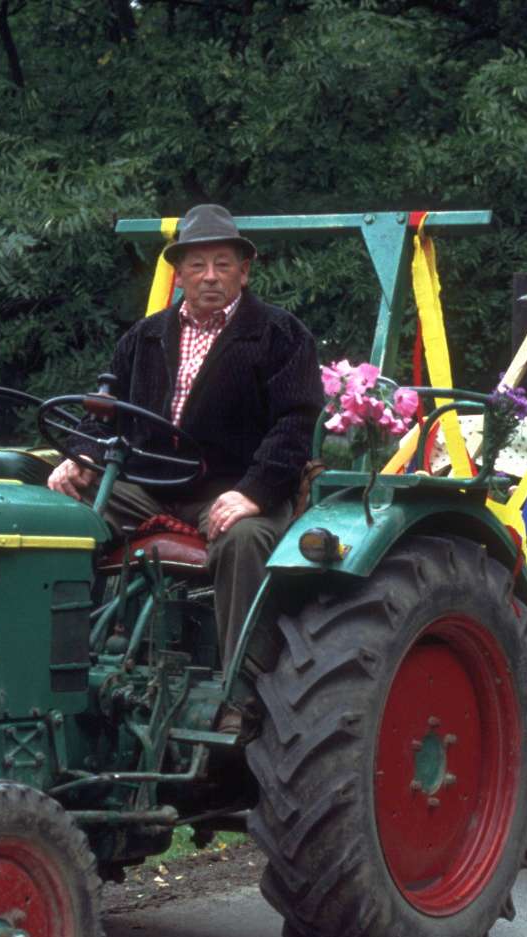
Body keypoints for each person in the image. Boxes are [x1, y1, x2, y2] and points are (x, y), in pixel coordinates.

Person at [47, 204, 324, 722]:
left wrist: (253, 492)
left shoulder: (280, 335)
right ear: (179, 274)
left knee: (245, 541)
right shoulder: (144, 337)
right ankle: (59, 662)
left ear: (244, 271)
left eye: (223, 264)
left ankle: (243, 694)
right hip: (150, 486)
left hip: (234, 486)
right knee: (61, 516)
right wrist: (83, 455)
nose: (210, 276)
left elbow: (296, 425)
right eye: (197, 265)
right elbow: (104, 409)